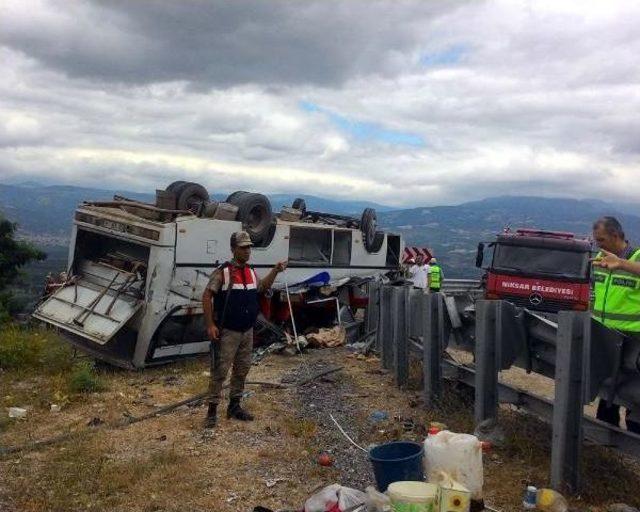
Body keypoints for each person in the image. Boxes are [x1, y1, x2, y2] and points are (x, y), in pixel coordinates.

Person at [201, 231, 287, 428]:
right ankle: (212, 412)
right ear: (233, 249)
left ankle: (234, 406)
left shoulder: (250, 271)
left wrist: (275, 271)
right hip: (228, 331)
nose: (247, 251)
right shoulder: (223, 272)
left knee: (242, 370)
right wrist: (210, 325)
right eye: (243, 247)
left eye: (249, 247)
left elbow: (262, 287)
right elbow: (207, 296)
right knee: (220, 371)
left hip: (247, 331)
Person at [591, 216, 640, 433]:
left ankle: (634, 433)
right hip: (605, 334)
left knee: (633, 387)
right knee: (608, 384)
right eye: (596, 240)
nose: (598, 244)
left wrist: (622, 264)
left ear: (616, 236)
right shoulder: (600, 259)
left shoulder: (636, 257)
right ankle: (606, 433)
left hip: (634, 337)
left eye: (601, 239)